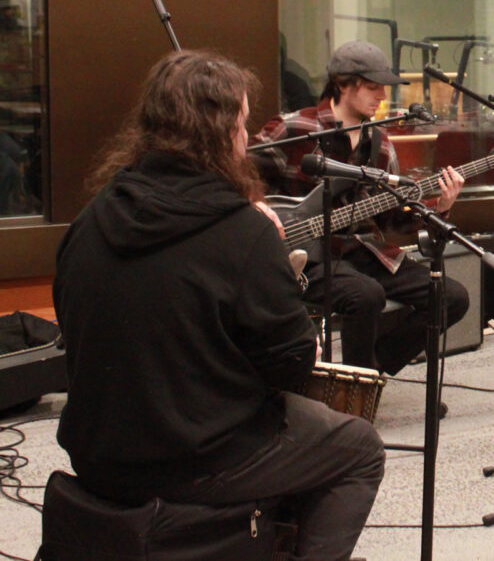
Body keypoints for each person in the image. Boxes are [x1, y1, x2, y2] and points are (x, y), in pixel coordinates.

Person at [53, 50, 385, 559]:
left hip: (96, 453)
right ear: (221, 134)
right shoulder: (242, 231)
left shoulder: (93, 216)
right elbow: (292, 364)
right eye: (242, 125)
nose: (248, 139)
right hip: (192, 461)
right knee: (358, 447)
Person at [252, 39, 470, 375]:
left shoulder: (380, 145)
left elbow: (395, 218)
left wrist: (441, 206)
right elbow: (236, 171)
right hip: (305, 255)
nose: (382, 96)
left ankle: (367, 376)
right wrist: (256, 204)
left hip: (360, 251)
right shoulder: (295, 127)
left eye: (383, 88)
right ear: (341, 84)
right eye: (372, 87)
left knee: (451, 297)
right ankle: (354, 394)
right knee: (365, 295)